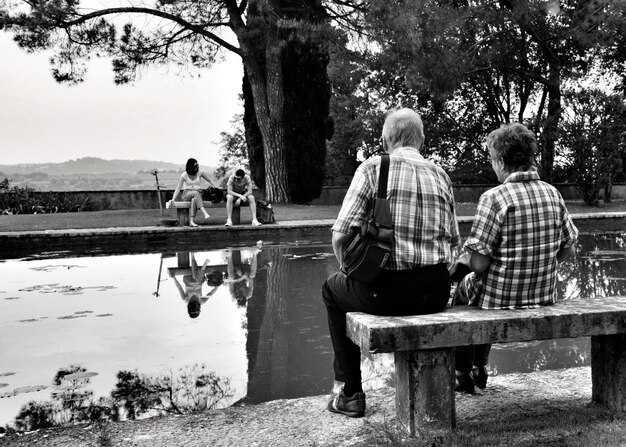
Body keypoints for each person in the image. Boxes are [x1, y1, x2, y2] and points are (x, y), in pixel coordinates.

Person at [322, 108, 461, 418]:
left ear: (386, 139)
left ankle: (350, 392)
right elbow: (454, 242)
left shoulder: (373, 168)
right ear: (421, 139)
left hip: (386, 293)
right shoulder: (441, 175)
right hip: (436, 293)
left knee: (332, 289)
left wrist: (355, 272)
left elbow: (340, 236)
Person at [451, 123, 579, 394]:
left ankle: (464, 371)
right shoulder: (553, 194)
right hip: (543, 296)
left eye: (490, 158)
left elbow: (479, 264)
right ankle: (480, 367)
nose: (490, 163)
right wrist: (541, 260)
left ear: (500, 160)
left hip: (499, 299)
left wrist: (469, 258)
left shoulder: (494, 198)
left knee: (465, 293)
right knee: (479, 291)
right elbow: (569, 249)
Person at [168, 254, 221, 318]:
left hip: (188, 280)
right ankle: (193, 257)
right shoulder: (201, 301)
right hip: (199, 279)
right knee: (197, 279)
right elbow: (210, 293)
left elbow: (179, 287)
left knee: (196, 278)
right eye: (197, 309)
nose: (197, 308)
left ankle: (199, 261)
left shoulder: (185, 299)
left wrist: (174, 278)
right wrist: (218, 286)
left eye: (195, 309)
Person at [168, 158, 213, 227]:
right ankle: (204, 212)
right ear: (190, 166)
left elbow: (209, 180)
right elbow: (178, 188)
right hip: (186, 194)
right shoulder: (184, 175)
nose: (197, 167)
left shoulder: (200, 172)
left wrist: (215, 187)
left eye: (197, 166)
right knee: (195, 193)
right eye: (195, 166)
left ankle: (191, 221)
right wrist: (173, 198)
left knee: (194, 200)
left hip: (197, 194)